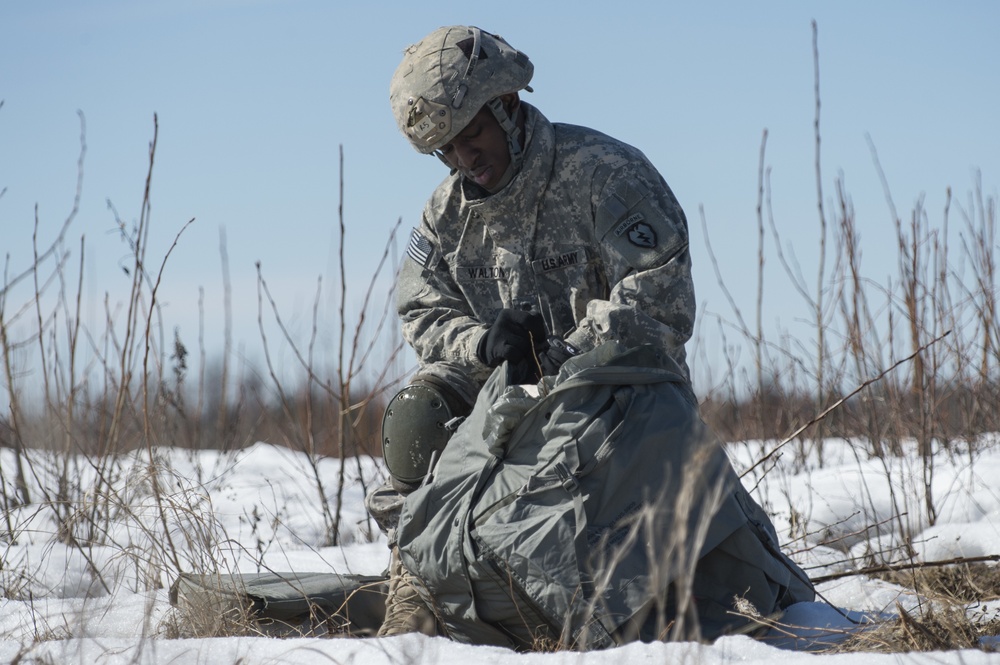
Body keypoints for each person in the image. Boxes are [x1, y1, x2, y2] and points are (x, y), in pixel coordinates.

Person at [368, 26, 812, 643]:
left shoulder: (607, 173)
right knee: (415, 418)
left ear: (507, 107)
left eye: (472, 134)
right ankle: (414, 594)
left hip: (610, 395)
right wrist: (482, 345)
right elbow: (421, 310)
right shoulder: (445, 214)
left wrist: (567, 355)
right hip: (498, 398)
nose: (464, 158)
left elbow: (659, 302)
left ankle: (561, 607)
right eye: (445, 149)